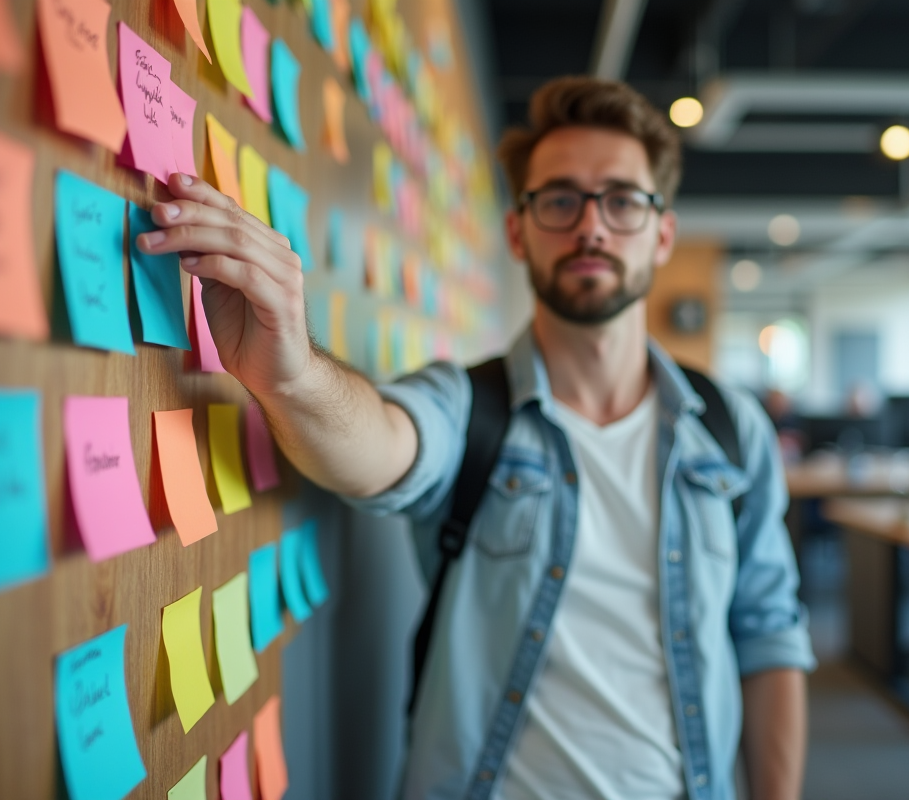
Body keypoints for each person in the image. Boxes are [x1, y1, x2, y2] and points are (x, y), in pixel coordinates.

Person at [137, 76, 814, 800]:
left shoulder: (730, 428)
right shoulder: (469, 406)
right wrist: (294, 376)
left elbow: (769, 635)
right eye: (561, 200)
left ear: (662, 232)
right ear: (518, 231)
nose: (591, 227)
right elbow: (382, 448)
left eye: (622, 201)